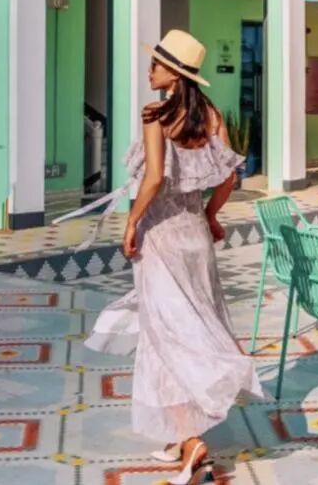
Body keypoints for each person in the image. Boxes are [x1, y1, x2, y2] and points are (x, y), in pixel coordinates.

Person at [85, 30, 264, 484]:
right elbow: (229, 177)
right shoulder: (212, 116)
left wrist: (131, 222)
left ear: (175, 74)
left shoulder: (156, 114)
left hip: (162, 238)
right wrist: (211, 214)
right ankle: (179, 434)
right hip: (195, 237)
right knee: (188, 328)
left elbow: (153, 178)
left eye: (156, 65)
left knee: (168, 337)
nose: (150, 71)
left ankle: (192, 442)